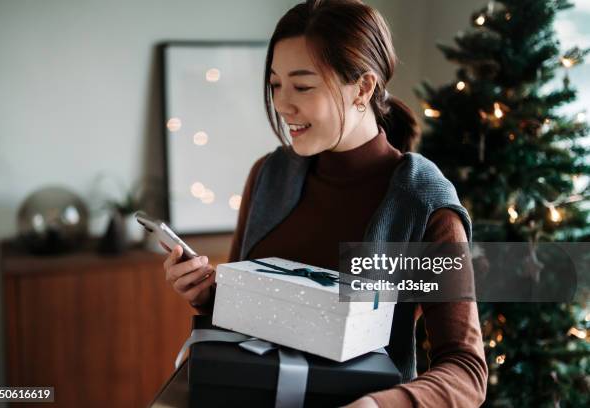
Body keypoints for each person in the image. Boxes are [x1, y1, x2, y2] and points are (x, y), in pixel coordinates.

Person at [162, 0, 488, 406]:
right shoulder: (268, 175)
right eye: (275, 84)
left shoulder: (424, 205)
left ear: (363, 88)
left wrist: (376, 405)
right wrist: (208, 294)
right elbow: (242, 316)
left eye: (302, 86)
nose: (282, 104)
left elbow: (466, 370)